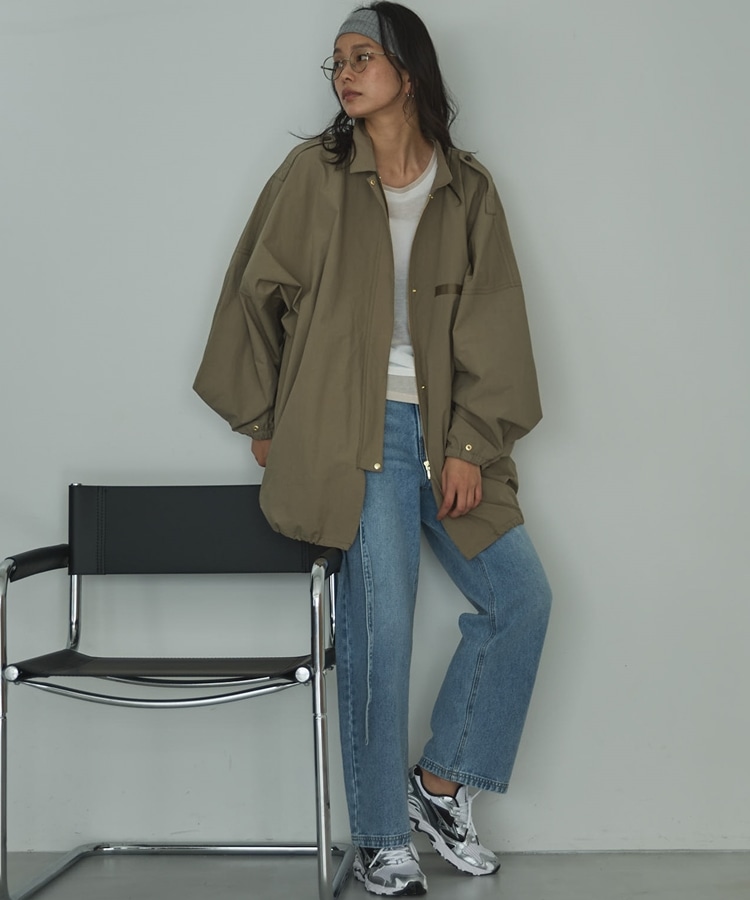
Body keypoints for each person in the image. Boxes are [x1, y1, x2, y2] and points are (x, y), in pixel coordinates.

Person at [194, 3, 551, 895]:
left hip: (446, 431)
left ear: (409, 71)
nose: (346, 73)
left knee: (521, 599)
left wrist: (469, 443)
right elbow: (252, 294)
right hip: (353, 432)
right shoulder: (312, 176)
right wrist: (262, 421)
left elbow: (496, 327)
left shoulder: (468, 188)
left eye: (363, 57)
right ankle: (383, 838)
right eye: (338, 61)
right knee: (380, 632)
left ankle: (439, 786)